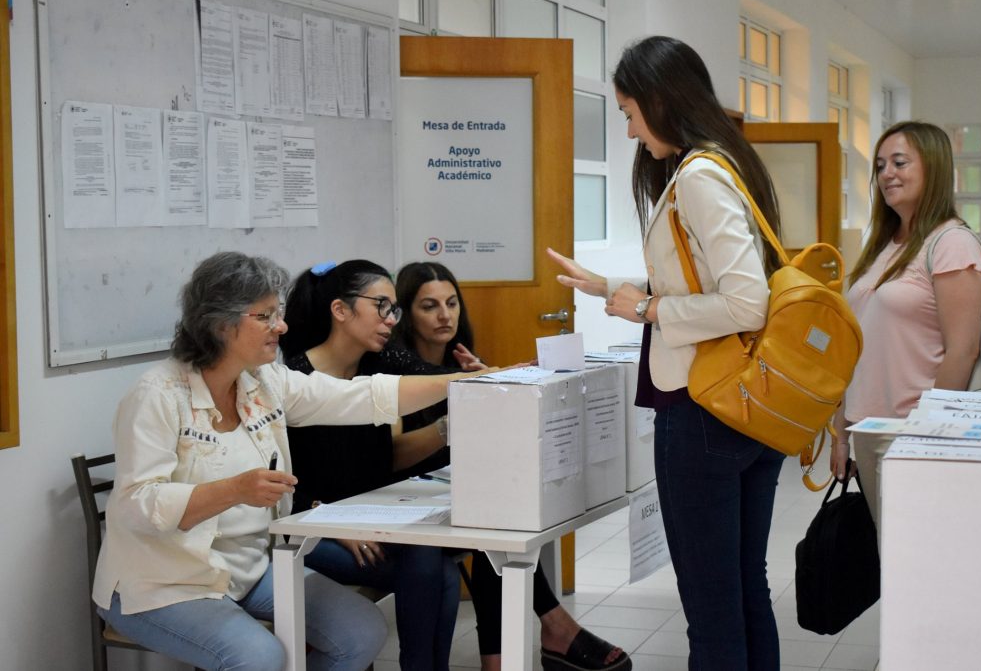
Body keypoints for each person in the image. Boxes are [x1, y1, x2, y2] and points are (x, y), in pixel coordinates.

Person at [93, 252, 476, 671]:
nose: (283, 326)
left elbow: (361, 397)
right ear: (220, 323)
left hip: (248, 569)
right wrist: (234, 490)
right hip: (163, 582)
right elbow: (138, 506)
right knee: (259, 658)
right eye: (266, 316)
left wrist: (467, 382)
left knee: (362, 633)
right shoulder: (157, 396)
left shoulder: (264, 381)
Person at [548, 36, 787, 670]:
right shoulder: (726, 164)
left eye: (629, 112)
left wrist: (649, 310)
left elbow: (746, 304)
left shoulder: (699, 176)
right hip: (745, 410)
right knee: (741, 590)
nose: (629, 131)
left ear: (659, 100)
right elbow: (705, 282)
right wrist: (609, 288)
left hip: (705, 413)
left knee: (713, 606)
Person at [393, 261, 632, 671]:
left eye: (451, 303)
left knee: (503, 523)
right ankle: (550, 631)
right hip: (407, 501)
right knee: (495, 532)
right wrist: (458, 413)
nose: (444, 315)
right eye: (429, 306)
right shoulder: (396, 369)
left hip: (455, 495)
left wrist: (489, 392)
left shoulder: (464, 360)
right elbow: (395, 458)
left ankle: (509, 655)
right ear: (406, 314)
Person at [279, 259, 470, 671]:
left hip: (366, 519)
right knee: (427, 562)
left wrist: (473, 388)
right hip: (309, 530)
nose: (391, 320)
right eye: (381, 306)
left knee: (442, 569)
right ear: (340, 310)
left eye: (394, 309)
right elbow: (281, 482)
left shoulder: (378, 363)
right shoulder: (293, 380)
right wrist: (327, 518)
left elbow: (433, 378)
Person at [830, 121, 981, 524]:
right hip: (868, 428)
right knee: (891, 558)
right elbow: (857, 344)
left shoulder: (952, 243)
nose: (887, 174)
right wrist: (840, 430)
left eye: (900, 162)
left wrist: (925, 435)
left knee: (916, 560)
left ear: (933, 168)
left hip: (913, 431)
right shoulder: (886, 243)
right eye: (881, 165)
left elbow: (963, 350)